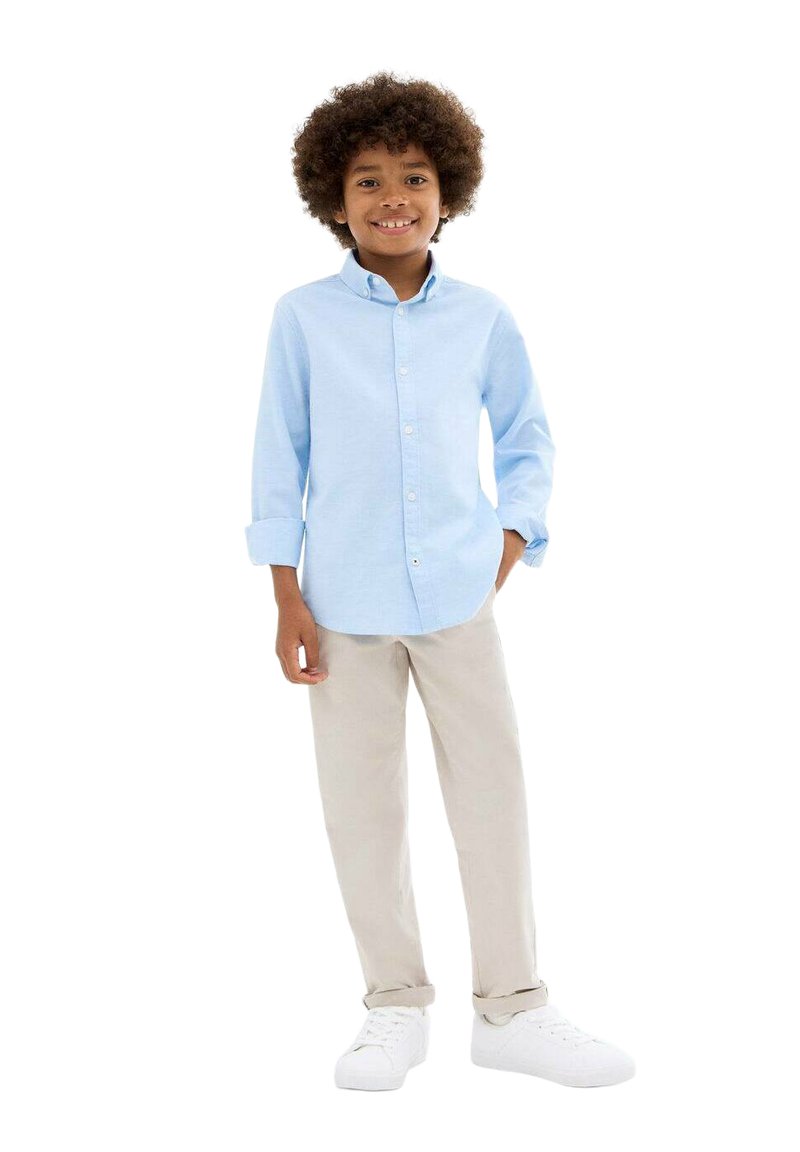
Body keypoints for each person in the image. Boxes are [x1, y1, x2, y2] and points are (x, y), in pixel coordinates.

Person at [245, 71, 635, 1091]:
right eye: (368, 180)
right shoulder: (302, 319)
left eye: (414, 177)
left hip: (459, 602)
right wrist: (284, 593)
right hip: (342, 607)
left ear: (447, 191)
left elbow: (527, 438)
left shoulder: (482, 317)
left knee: (492, 798)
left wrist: (508, 543)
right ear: (334, 201)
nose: (393, 198)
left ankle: (513, 1007)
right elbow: (279, 460)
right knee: (361, 810)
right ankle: (393, 1007)